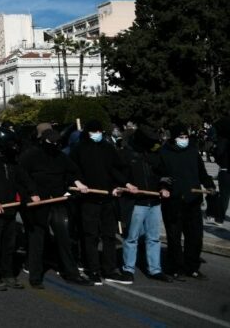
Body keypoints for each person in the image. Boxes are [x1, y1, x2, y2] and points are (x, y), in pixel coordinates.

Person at [19, 129, 93, 288]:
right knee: (37, 239)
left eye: (56, 143)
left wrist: (78, 183)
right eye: (51, 142)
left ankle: (71, 273)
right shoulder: (31, 156)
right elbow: (22, 174)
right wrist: (32, 193)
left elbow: (72, 171)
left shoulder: (60, 156)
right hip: (38, 202)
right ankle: (35, 276)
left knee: (64, 238)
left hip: (58, 200)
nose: (54, 145)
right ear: (44, 141)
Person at [69, 119, 130, 285]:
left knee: (109, 236)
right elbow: (71, 170)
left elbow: (115, 169)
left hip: (107, 199)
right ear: (88, 133)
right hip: (88, 199)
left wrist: (121, 185)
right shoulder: (79, 149)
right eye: (93, 132)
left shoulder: (108, 148)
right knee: (90, 236)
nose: (97, 135)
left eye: (99, 132)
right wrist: (78, 183)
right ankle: (93, 269)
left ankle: (109, 269)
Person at [0, 127, 35, 291]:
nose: (13, 147)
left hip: (11, 208)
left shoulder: (11, 161)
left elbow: (22, 179)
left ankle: (8, 273)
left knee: (10, 244)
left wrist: (32, 193)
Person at [117, 125, 174, 283]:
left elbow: (164, 174)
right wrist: (127, 184)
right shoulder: (126, 154)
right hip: (136, 203)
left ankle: (155, 269)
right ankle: (128, 269)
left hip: (154, 202)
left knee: (154, 237)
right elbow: (116, 174)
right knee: (131, 237)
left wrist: (164, 187)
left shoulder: (154, 154)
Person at [159, 124, 216, 280]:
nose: (184, 140)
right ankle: (175, 267)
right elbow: (159, 173)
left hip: (193, 201)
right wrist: (163, 186)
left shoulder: (192, 151)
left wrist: (209, 185)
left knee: (195, 237)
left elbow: (202, 171)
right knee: (174, 237)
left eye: (186, 137)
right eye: (181, 137)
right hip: (173, 201)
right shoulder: (164, 152)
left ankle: (192, 267)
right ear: (174, 138)